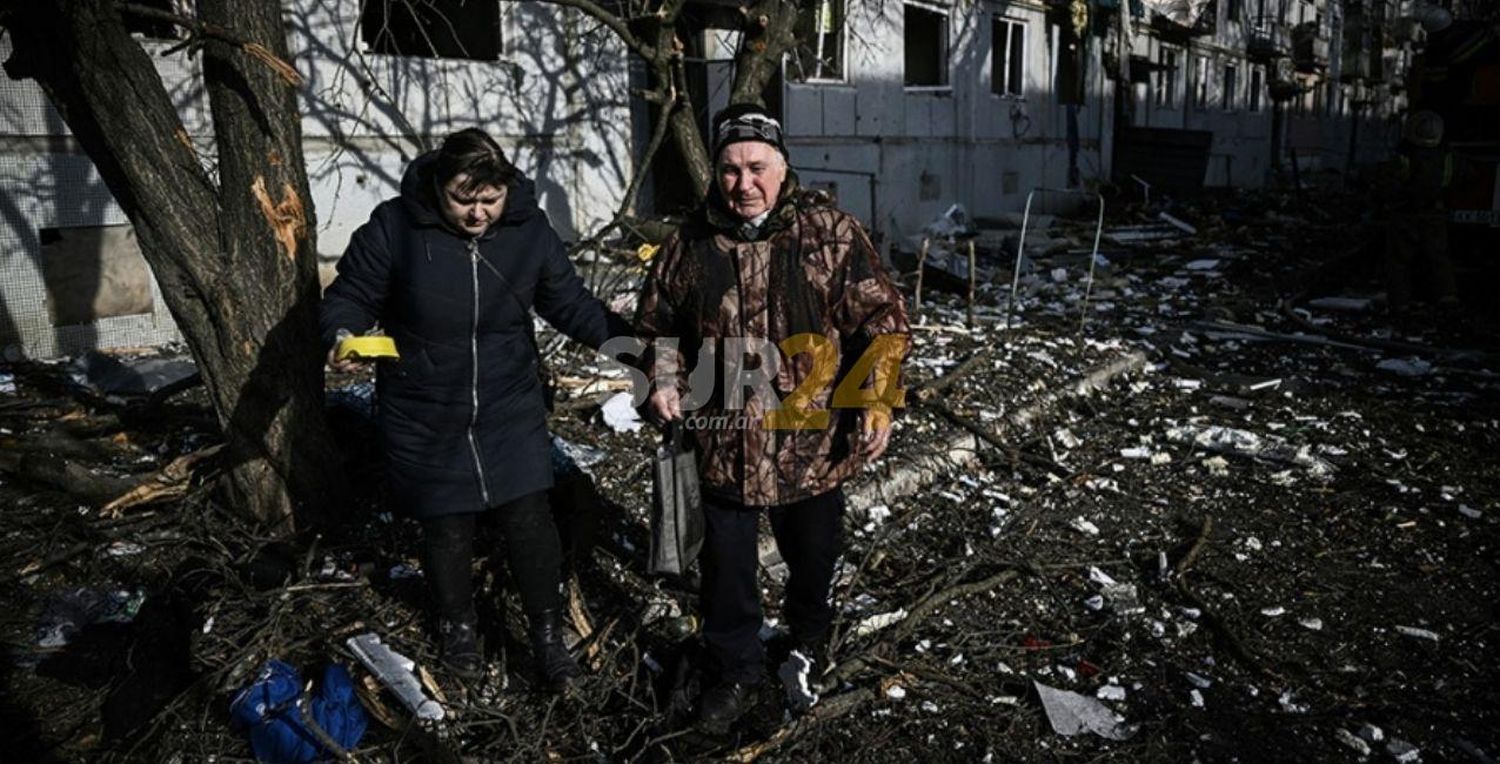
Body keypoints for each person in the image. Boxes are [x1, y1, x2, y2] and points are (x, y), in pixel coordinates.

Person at [320, 128, 630, 690]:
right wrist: (341, 333)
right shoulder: (396, 227)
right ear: (438, 185)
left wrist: (634, 347)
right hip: (424, 408)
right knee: (447, 525)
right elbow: (351, 294)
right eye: (464, 199)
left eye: (490, 199)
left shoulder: (528, 232)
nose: (478, 213)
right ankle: (458, 631)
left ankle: (546, 638)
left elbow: (570, 304)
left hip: (508, 403)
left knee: (529, 518)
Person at [634, 104, 910, 728]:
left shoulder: (830, 233)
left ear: (782, 167)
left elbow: (882, 321)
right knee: (726, 570)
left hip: (810, 444)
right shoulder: (688, 242)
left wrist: (874, 399)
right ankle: (735, 670)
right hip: (720, 442)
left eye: (757, 167)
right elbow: (655, 328)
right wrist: (665, 380)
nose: (743, 184)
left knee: (813, 558)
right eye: (730, 169)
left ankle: (807, 648)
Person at [1383, 109, 1459, 311]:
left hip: (1405, 214)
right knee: (1438, 256)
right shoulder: (1447, 157)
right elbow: (1464, 177)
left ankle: (1400, 303)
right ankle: (1446, 296)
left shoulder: (1404, 155)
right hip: (1435, 214)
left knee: (1399, 260)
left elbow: (1390, 184)